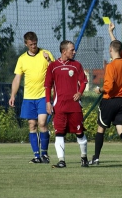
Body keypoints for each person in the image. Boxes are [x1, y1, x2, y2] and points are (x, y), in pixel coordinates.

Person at [89, 22, 122, 166]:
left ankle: (96, 158)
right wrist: (111, 32)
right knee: (121, 129)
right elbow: (117, 47)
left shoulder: (111, 66)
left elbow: (108, 88)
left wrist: (99, 90)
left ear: (110, 50)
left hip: (109, 101)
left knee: (101, 129)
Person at [9, 31, 55, 163]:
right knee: (32, 124)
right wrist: (13, 95)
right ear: (26, 44)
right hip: (28, 97)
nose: (33, 46)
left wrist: (49, 61)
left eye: (35, 43)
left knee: (42, 123)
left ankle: (45, 154)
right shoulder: (22, 59)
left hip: (43, 95)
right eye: (31, 44)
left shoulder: (45, 54)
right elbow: (17, 78)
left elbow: (55, 70)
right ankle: (37, 156)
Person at [44, 40, 89, 168]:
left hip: (74, 106)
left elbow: (84, 82)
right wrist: (48, 102)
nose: (74, 52)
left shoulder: (77, 65)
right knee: (59, 133)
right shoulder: (53, 66)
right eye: (72, 50)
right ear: (64, 51)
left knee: (79, 133)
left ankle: (84, 158)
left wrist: (80, 93)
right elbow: (47, 86)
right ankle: (61, 160)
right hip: (59, 107)